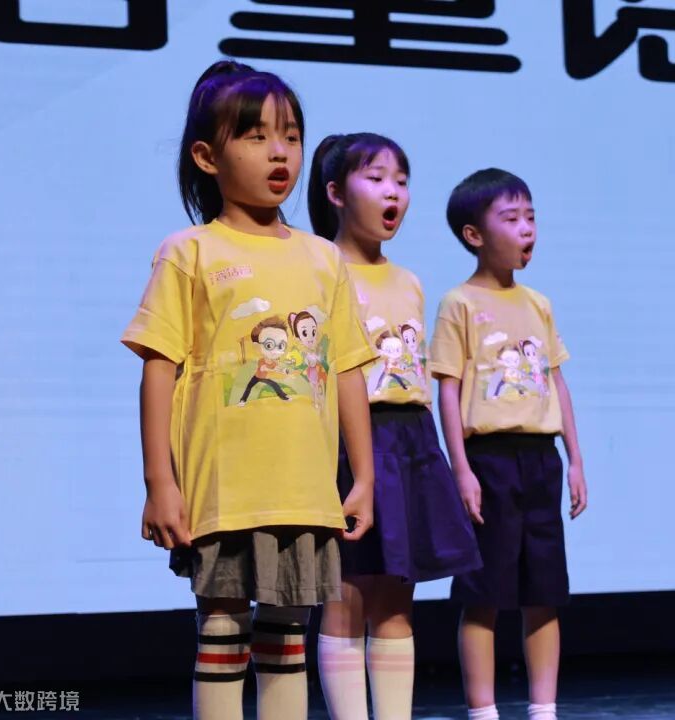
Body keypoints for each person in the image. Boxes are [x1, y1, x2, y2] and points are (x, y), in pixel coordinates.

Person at [120, 61, 377, 720]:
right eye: (256, 136)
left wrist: (364, 476)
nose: (279, 151)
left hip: (305, 488)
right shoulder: (190, 252)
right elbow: (158, 367)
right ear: (207, 157)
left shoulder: (324, 259)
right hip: (225, 487)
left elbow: (347, 368)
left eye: (290, 135)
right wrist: (159, 482)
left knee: (288, 636)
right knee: (223, 630)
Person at [307, 132, 481, 719]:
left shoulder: (409, 280)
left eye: (402, 182)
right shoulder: (319, 268)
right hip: (350, 440)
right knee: (346, 594)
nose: (393, 193)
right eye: (377, 179)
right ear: (336, 192)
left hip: (410, 440)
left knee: (396, 599)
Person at [429, 168, 587, 720]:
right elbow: (448, 390)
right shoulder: (459, 303)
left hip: (540, 459)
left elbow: (557, 382)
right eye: (512, 218)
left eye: (531, 217)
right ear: (474, 235)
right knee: (484, 592)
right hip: (489, 461)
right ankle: (484, 711)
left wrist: (575, 460)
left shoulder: (538, 303)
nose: (527, 229)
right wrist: (461, 469)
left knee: (545, 592)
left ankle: (544, 708)